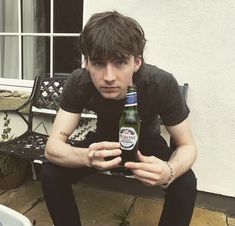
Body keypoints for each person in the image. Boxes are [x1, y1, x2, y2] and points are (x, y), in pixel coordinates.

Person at [41, 11, 197, 226]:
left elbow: (187, 146)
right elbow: (53, 148)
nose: (109, 77)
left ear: (137, 62)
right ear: (86, 63)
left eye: (120, 62)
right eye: (98, 63)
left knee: (185, 182)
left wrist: (169, 171)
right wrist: (87, 157)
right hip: (102, 143)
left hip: (146, 145)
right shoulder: (79, 82)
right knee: (51, 172)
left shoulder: (161, 83)